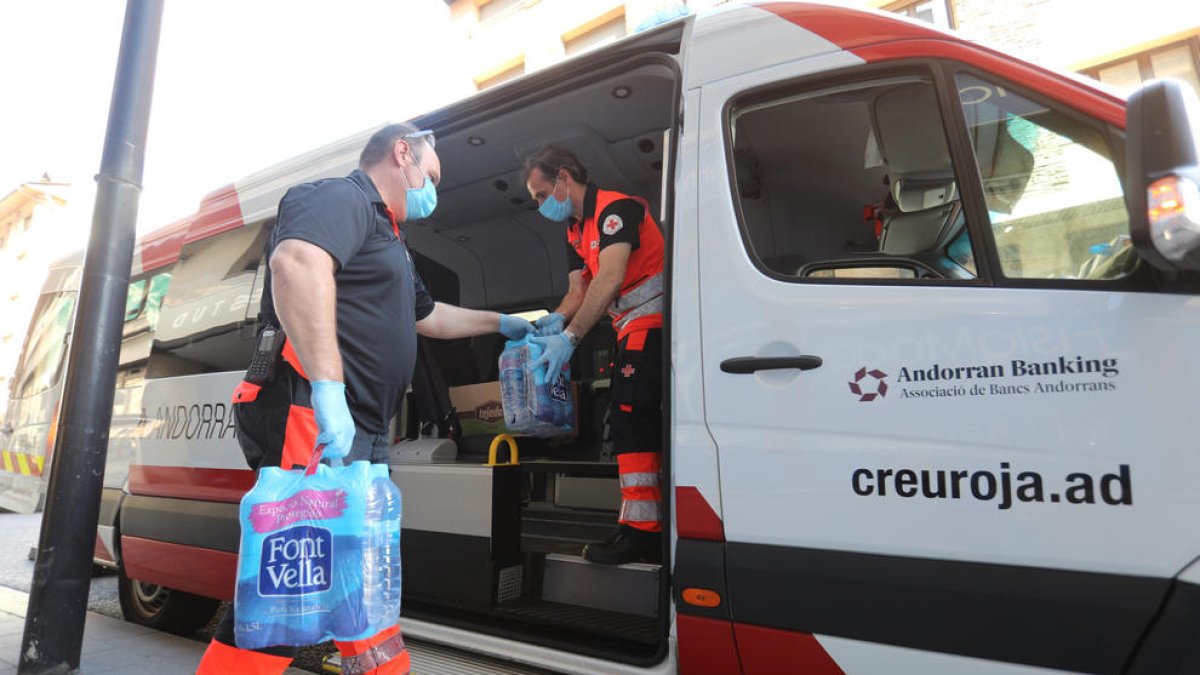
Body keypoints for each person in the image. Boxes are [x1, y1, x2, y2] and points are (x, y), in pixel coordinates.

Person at [198, 123, 535, 675]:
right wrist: (330, 387)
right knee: (291, 591)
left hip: (364, 427)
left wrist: (506, 323)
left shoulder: (394, 243)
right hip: (311, 413)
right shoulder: (337, 198)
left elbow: (431, 318)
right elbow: (297, 264)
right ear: (402, 153)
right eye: (431, 176)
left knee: (359, 570)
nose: (433, 190)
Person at [523, 145, 665, 566]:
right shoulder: (572, 230)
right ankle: (642, 526)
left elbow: (610, 277)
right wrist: (550, 322)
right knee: (626, 418)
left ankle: (642, 532)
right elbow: (578, 290)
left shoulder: (615, 210)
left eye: (540, 193)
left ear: (564, 178)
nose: (539, 205)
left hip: (654, 322)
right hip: (629, 327)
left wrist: (571, 338)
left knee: (628, 414)